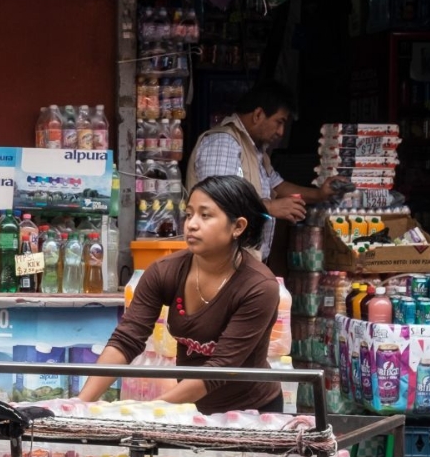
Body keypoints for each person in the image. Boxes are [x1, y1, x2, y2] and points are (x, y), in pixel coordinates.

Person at [78, 175, 282, 414]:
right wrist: (79, 404)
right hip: (191, 410)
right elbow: (126, 340)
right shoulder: (165, 271)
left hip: (252, 414)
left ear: (238, 227)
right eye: (189, 214)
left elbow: (220, 368)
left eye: (205, 215)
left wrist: (149, 410)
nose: (191, 224)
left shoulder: (258, 287)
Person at [187, 80, 337, 260]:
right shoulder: (224, 143)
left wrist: (320, 194)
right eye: (279, 122)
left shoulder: (256, 151)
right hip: (220, 261)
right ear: (258, 114)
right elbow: (219, 199)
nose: (281, 132)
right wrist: (270, 207)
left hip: (240, 262)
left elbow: (279, 186)